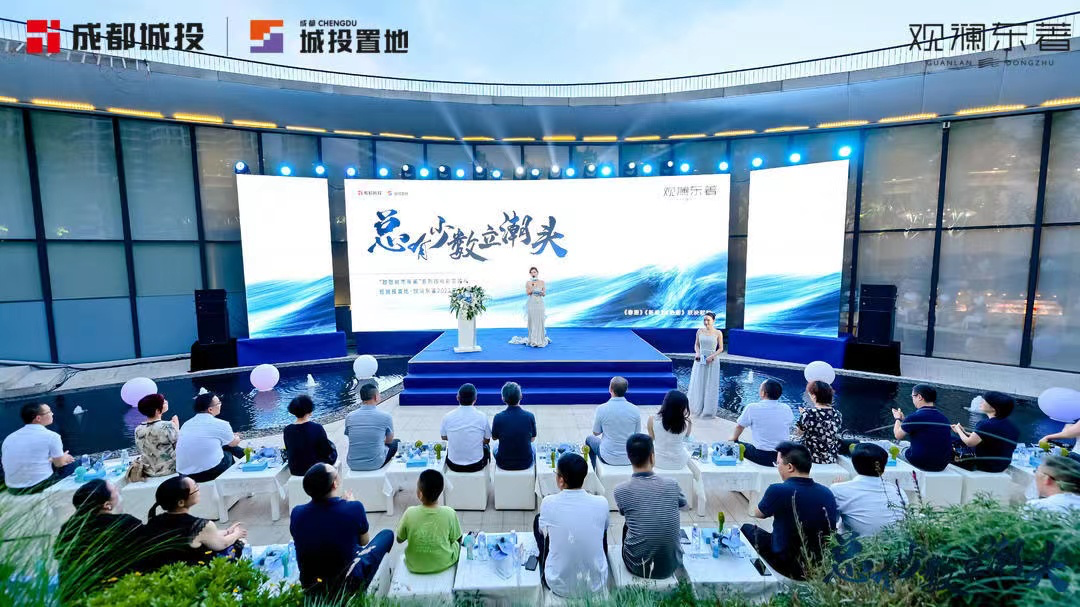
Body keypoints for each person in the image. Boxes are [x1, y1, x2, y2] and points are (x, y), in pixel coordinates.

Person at [291, 463, 394, 595]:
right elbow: (364, 541)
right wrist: (350, 506)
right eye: (336, 472)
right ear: (334, 484)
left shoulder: (297, 513)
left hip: (311, 583)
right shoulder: (354, 508)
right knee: (387, 535)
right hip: (347, 582)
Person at [742, 442, 839, 580]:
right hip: (819, 565)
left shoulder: (778, 490)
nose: (777, 468)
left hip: (786, 565)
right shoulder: (827, 492)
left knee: (746, 529)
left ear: (789, 467)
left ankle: (758, 575)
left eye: (778, 464)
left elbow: (757, 513)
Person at [54, 480, 146, 602]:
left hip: (76, 595)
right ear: (107, 505)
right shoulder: (126, 523)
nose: (118, 491)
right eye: (115, 490)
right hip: (119, 592)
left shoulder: (68, 528)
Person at [534, 453, 609, 598]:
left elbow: (543, 532)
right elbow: (604, 528)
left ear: (561, 480)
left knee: (538, 522)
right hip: (596, 584)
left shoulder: (548, 503)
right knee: (600, 528)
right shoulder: (601, 503)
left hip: (558, 584)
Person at [613, 433, 687, 580]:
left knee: (629, 523)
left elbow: (624, 512)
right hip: (671, 564)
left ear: (629, 458)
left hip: (637, 566)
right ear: (652, 456)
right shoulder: (672, 484)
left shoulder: (620, 490)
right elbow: (684, 506)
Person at [141, 475, 247, 571]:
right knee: (239, 543)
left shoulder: (154, 520)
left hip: (163, 570)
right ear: (181, 502)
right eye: (195, 489)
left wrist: (227, 532)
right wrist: (236, 534)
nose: (198, 490)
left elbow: (206, 536)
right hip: (192, 571)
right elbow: (222, 544)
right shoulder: (198, 525)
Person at [829, 443, 906, 537]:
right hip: (894, 544)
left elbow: (830, 521)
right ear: (883, 467)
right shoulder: (899, 492)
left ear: (854, 464)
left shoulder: (838, 490)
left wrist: (837, 487)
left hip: (854, 545)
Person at [396, 469, 462, 574]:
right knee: (457, 543)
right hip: (444, 563)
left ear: (420, 494)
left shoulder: (409, 513)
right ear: (441, 490)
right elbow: (457, 538)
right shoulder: (449, 513)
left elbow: (399, 539)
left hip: (414, 565)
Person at [2, 402, 75, 494]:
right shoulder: (52, 436)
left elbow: (27, 458)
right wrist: (64, 458)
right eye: (49, 412)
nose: (52, 414)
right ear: (38, 418)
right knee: (74, 464)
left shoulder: (9, 438)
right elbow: (59, 464)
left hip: (13, 489)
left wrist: (52, 459)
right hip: (38, 486)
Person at [175, 393, 244, 482]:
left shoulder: (186, 424)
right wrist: (237, 437)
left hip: (184, 474)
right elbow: (233, 443)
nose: (220, 405)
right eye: (218, 403)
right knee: (227, 452)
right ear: (210, 409)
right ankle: (234, 481)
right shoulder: (221, 424)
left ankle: (247, 455)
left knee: (222, 442)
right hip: (208, 472)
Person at [951, 391, 1020, 473]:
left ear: (993, 408)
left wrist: (958, 430)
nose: (981, 402)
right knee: (954, 439)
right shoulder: (1011, 426)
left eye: (984, 401)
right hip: (1001, 465)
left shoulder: (986, 424)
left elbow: (969, 443)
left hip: (984, 465)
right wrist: (964, 432)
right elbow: (988, 438)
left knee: (946, 443)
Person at [731, 380, 795, 467]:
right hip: (784, 456)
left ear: (763, 393)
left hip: (762, 456)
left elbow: (739, 426)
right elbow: (789, 423)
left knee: (735, 445)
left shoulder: (752, 407)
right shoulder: (786, 408)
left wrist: (733, 439)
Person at [891, 385, 952, 472]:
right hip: (941, 465)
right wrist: (905, 420)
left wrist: (898, 418)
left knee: (886, 445)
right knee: (905, 443)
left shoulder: (915, 417)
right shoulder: (944, 418)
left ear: (919, 397)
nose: (912, 399)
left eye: (913, 396)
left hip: (920, 462)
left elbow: (897, 435)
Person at [585, 377, 640, 469]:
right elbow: (637, 435)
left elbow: (596, 432)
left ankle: (593, 470)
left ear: (610, 389)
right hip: (629, 457)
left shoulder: (601, 409)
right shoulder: (635, 410)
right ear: (626, 390)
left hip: (608, 457)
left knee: (589, 439)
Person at [345, 383, 398, 471]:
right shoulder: (385, 417)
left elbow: (350, 436)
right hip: (375, 463)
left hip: (353, 463)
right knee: (396, 443)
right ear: (376, 397)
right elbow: (389, 440)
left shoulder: (349, 416)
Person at [440, 383, 491, 473]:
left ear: (457, 398)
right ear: (475, 399)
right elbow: (487, 440)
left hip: (453, 464)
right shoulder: (482, 416)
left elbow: (444, 437)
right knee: (487, 447)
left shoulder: (447, 416)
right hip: (477, 464)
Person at [283, 395, 338, 477]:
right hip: (315, 469)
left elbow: (288, 449)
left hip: (296, 469)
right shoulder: (317, 427)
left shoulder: (287, 430)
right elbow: (326, 451)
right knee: (332, 450)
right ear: (309, 410)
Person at [792, 381, 843, 464]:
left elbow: (799, 433)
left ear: (814, 396)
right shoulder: (837, 414)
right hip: (830, 457)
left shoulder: (809, 413)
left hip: (810, 456)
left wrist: (803, 415)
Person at [491, 382, 537, 471]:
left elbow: (494, 438)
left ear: (503, 398)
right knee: (533, 447)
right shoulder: (529, 416)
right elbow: (532, 439)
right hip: (526, 463)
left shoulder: (498, 417)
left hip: (503, 463)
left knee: (495, 446)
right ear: (521, 396)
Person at [687, 312, 723, 418]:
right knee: (698, 382)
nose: (706, 322)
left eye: (708, 320)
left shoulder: (718, 333)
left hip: (712, 360)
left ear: (713, 321)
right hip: (700, 359)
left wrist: (712, 356)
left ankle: (708, 410)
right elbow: (696, 345)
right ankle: (696, 407)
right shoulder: (699, 331)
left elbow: (721, 348)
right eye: (704, 320)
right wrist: (697, 353)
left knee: (710, 384)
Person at [134, 393, 179, 477]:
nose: (166, 402)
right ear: (158, 410)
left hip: (149, 471)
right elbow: (180, 447)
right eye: (164, 402)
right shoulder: (168, 426)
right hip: (170, 469)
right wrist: (176, 427)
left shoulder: (138, 429)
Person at [648, 390, 691, 470]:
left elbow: (651, 439)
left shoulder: (652, 419)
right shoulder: (687, 422)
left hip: (658, 461)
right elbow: (686, 437)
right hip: (679, 462)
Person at [510, 266, 550, 347]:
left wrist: (541, 293)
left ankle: (540, 339)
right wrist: (533, 287)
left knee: (539, 319)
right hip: (532, 302)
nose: (533, 273)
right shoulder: (528, 282)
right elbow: (528, 293)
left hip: (540, 302)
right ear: (530, 274)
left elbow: (544, 294)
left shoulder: (542, 282)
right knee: (533, 320)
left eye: (534, 272)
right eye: (531, 272)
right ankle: (533, 340)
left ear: (537, 273)